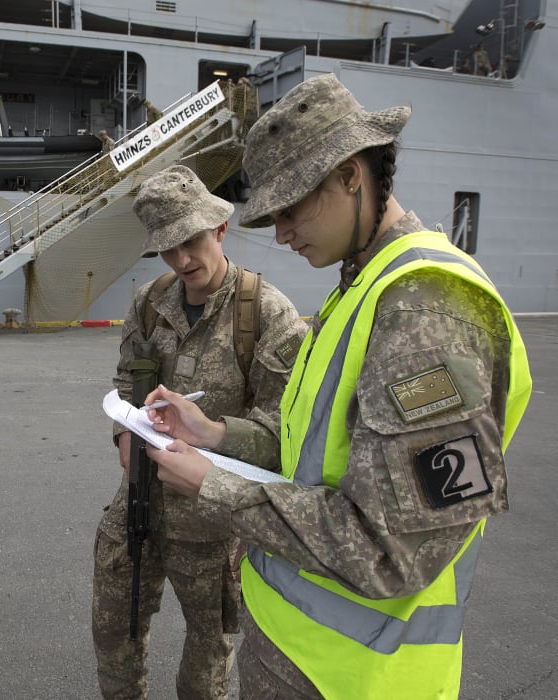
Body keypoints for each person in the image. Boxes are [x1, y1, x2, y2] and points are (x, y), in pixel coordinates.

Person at [146, 74, 532, 699]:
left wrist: (214, 483)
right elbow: (313, 451)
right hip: (302, 653)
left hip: (355, 678)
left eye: (292, 207)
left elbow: (390, 551)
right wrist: (215, 433)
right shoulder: (362, 287)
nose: (280, 232)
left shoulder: (424, 312)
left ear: (351, 175)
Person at [92, 164, 307, 699]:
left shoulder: (268, 315)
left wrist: (212, 431)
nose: (181, 260)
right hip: (139, 499)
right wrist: (125, 435)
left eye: (190, 242)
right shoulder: (150, 300)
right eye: (167, 248)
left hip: (214, 519)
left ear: (219, 230)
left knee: (209, 652)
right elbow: (126, 378)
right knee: (114, 631)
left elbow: (286, 432)